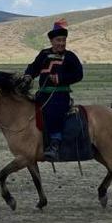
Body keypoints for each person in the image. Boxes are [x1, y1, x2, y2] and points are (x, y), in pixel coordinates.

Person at [22, 18, 83, 161]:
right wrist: (28, 76)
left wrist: (60, 78)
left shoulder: (70, 56)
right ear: (52, 41)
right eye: (58, 40)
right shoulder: (43, 54)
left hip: (60, 94)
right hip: (43, 93)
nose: (61, 43)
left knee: (53, 110)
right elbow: (34, 67)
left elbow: (78, 74)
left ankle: (55, 143)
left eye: (63, 40)